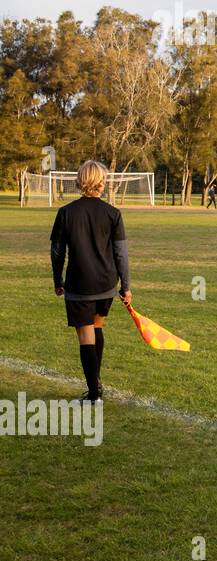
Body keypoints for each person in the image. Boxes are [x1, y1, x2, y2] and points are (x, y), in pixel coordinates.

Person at [50, 160, 131, 403]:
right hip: (106, 286)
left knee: (86, 336)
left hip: (80, 285)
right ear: (101, 182)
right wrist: (125, 286)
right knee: (97, 328)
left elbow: (57, 251)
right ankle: (96, 386)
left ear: (80, 180)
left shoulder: (65, 213)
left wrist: (57, 279)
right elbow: (121, 254)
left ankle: (94, 395)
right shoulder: (113, 213)